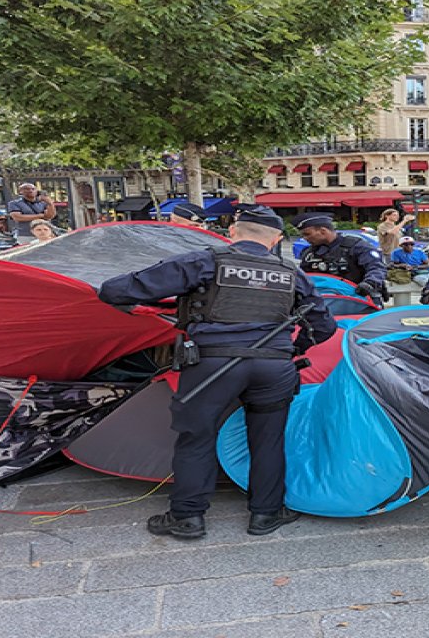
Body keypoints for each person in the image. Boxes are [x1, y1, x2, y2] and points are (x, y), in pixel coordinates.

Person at [98, 205, 337, 539]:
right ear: (277, 239)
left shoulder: (205, 261)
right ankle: (266, 514)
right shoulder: (292, 273)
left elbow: (116, 290)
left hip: (212, 364)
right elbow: (323, 327)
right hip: (274, 366)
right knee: (268, 440)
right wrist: (290, 351)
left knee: (196, 437)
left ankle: (187, 517)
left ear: (233, 233)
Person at [294, 213, 387, 300]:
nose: (304, 238)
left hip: (359, 299)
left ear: (323, 231)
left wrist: (369, 283)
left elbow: (377, 268)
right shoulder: (309, 253)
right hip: (324, 301)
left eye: (307, 234)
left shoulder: (357, 246)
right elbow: (302, 277)